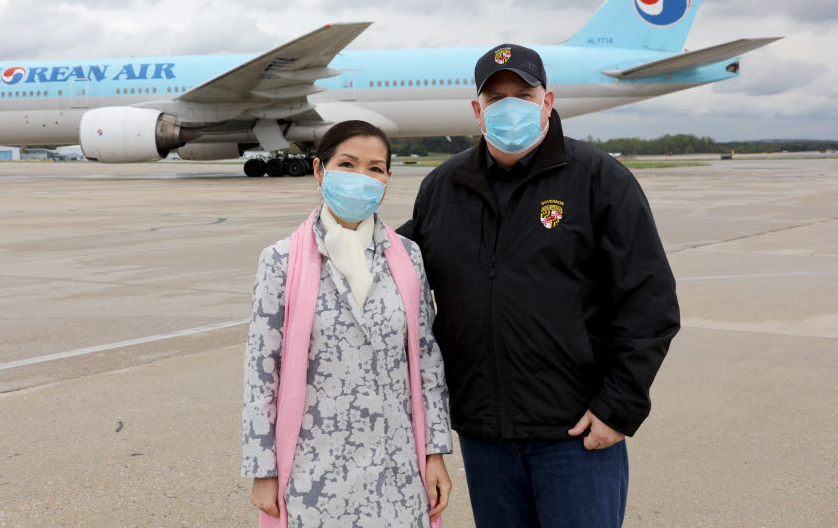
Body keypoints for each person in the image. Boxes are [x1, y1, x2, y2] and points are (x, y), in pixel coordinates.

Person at [397, 44, 680, 527]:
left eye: (523, 94)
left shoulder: (600, 180)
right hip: (485, 436)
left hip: (574, 434)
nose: (510, 105)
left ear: (547, 101)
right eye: (496, 97)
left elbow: (649, 302)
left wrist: (618, 407)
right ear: (477, 110)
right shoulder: (443, 188)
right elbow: (396, 273)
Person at [241, 120, 453, 527]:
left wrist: (435, 453)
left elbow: (427, 362)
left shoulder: (407, 258)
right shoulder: (280, 261)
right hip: (313, 468)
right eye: (347, 164)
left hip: (397, 468)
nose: (361, 177)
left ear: (388, 179)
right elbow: (261, 373)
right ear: (320, 171)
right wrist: (262, 470)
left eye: (375, 168)